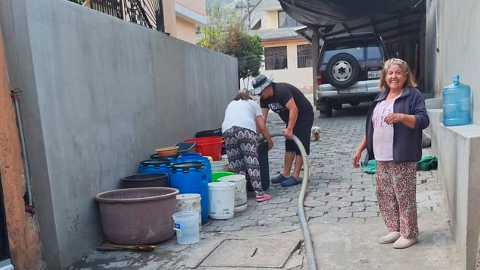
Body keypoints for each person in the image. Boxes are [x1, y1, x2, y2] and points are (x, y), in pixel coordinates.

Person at [351, 58, 430, 249]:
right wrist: (360, 149)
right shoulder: (380, 97)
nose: (393, 76)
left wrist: (401, 117)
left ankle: (409, 233)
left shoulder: (412, 95)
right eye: (390, 73)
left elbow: (423, 120)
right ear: (385, 77)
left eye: (398, 73)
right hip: (381, 156)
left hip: (402, 155)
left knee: (404, 194)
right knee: (384, 193)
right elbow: (371, 127)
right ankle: (395, 228)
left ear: (405, 76)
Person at [251, 75, 314, 187]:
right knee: (289, 144)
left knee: (300, 144)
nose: (259, 95)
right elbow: (262, 120)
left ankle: (296, 175)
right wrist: (255, 137)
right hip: (290, 118)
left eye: (260, 92)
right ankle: (285, 173)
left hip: (304, 115)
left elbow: (294, 109)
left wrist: (289, 129)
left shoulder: (281, 91)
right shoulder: (264, 99)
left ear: (267, 86)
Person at [221, 90, 273, 202]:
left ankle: (240, 194)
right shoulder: (253, 104)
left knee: (236, 164)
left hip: (227, 131)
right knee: (251, 161)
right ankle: (259, 193)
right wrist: (269, 141)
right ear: (248, 98)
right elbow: (262, 126)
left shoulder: (231, 104)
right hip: (245, 130)